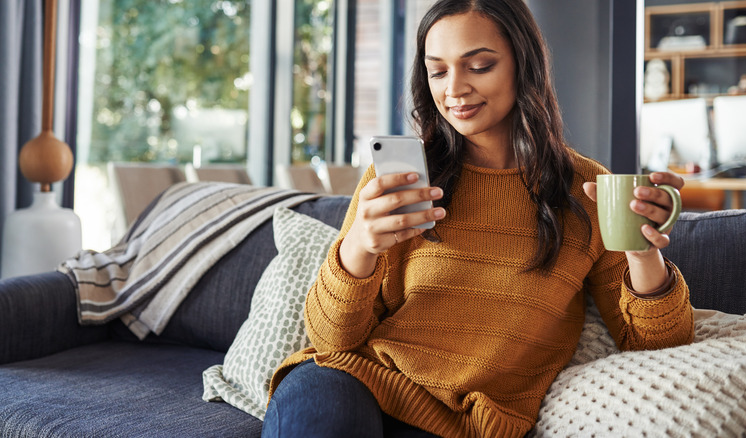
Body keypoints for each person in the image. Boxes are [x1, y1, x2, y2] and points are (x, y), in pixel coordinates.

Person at [261, 0, 694, 436]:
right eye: (438, 71)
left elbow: (658, 347)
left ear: (523, 65)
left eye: (480, 65)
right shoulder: (400, 179)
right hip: (351, 383)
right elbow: (332, 342)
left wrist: (643, 255)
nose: (454, 89)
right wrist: (357, 248)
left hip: (473, 422)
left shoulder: (586, 188)